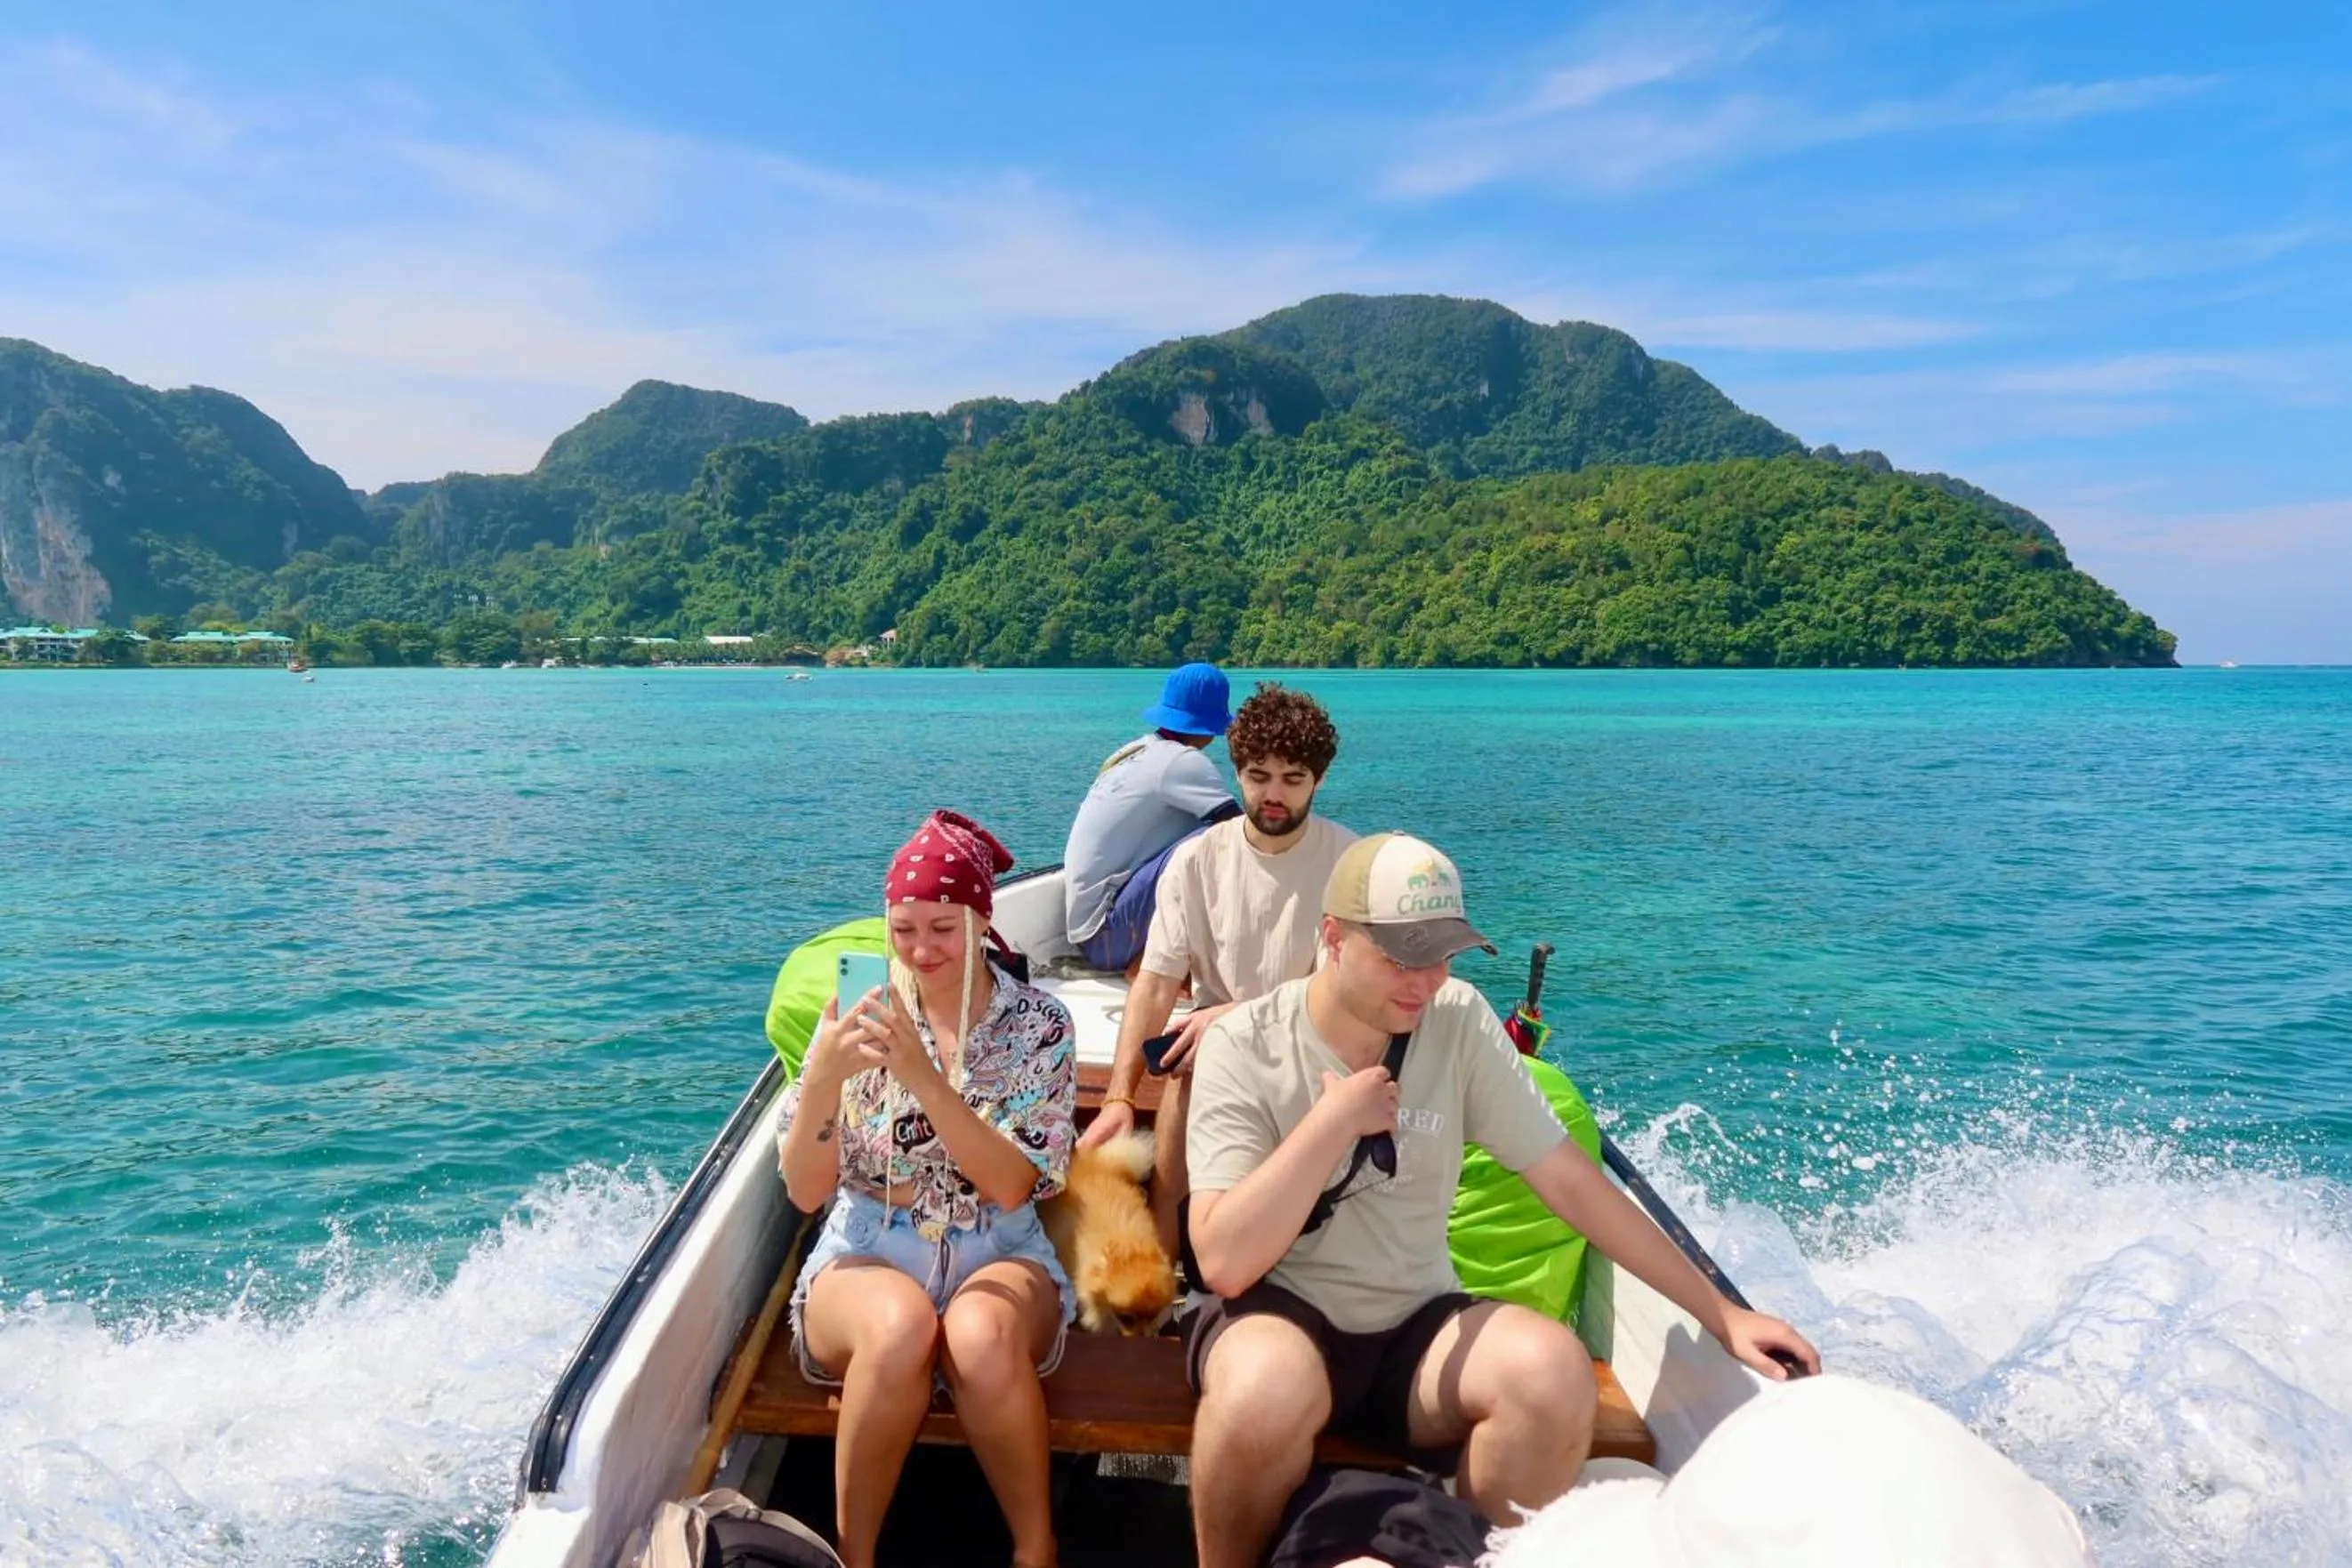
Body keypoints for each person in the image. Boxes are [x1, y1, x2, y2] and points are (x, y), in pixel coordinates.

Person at [1182, 833, 1822, 1568]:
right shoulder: (1244, 1042)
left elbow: (1572, 1182)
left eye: (1443, 954)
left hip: (1413, 1327)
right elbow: (1224, 1262)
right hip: (1281, 1309)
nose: (1425, 981)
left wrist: (1723, 1312)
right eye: (1400, 955)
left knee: (1551, 1371)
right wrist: (1330, 1125)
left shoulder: (1456, 1019)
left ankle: (1470, 1555)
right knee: (1262, 1390)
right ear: (1332, 936)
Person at [777, 810, 1077, 1568]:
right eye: (903, 928)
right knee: (900, 1325)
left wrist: (923, 1074)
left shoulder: (1038, 1024)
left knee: (979, 1334)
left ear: (981, 920)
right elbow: (808, 1194)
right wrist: (819, 1083)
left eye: (942, 926)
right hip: (870, 1241)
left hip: (997, 1240)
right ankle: (856, 1555)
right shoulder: (854, 1017)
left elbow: (1014, 1185)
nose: (920, 949)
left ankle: (1035, 1547)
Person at [1078, 682, 1357, 1262]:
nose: (1272, 795)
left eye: (1292, 779)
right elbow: (1155, 983)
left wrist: (1229, 1015)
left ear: (1319, 780)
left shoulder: (1347, 865)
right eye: (1258, 776)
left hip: (1308, 1056)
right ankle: (1166, 1285)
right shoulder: (1197, 860)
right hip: (1210, 1057)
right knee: (1177, 1130)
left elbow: (1342, 996)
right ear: (1236, 773)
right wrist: (1119, 1098)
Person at [1062, 662, 1239, 971]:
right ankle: (1160, 963)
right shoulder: (1183, 762)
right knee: (1220, 840)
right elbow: (1245, 833)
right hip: (1109, 937)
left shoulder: (1132, 752)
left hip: (1089, 931)